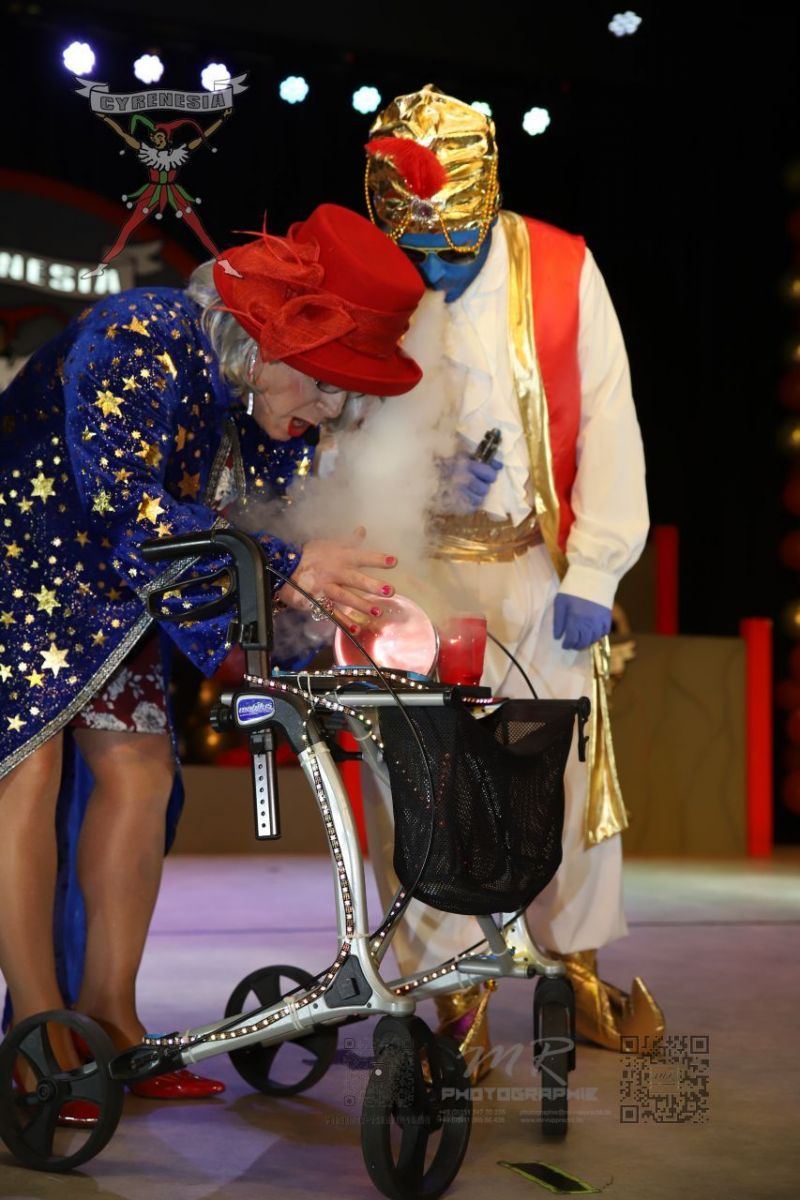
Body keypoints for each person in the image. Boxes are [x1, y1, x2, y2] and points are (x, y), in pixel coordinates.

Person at [0, 203, 424, 1116]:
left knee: (141, 771)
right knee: (26, 771)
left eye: (348, 398)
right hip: (20, 560)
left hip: (120, 590)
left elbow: (264, 541)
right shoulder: (136, 335)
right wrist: (282, 565)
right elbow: (122, 501)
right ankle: (36, 1036)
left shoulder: (271, 416)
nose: (329, 412)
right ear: (266, 342)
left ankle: (111, 1021)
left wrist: (318, 610)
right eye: (326, 385)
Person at [358, 85, 664, 1060]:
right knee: (423, 775)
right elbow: (338, 429)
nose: (434, 270)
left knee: (560, 763)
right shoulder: (376, 275)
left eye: (453, 249)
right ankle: (452, 986)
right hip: (414, 574)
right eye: (418, 251)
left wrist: (596, 570)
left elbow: (608, 415)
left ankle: (573, 966)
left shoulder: (562, 269)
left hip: (534, 567)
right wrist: (413, 486)